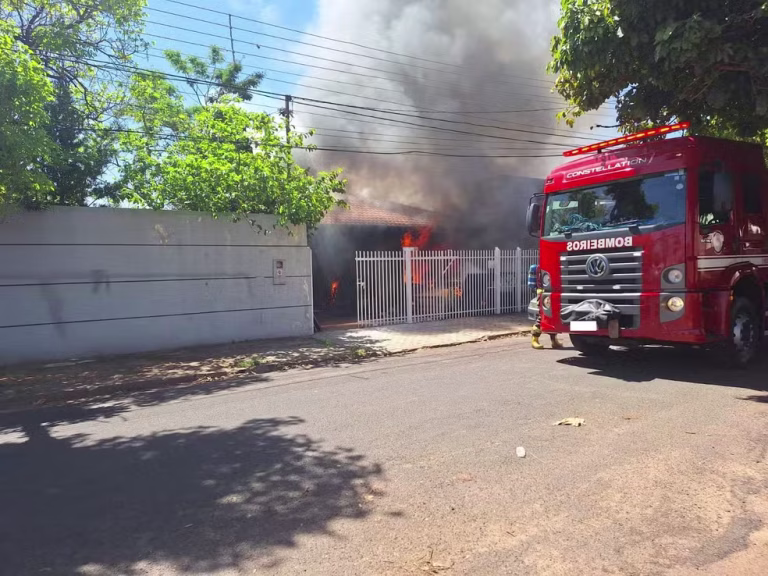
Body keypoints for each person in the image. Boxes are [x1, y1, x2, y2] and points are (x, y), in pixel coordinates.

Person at [528, 264, 563, 350]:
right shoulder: (539, 268)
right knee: (541, 317)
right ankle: (534, 339)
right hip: (543, 294)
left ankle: (554, 341)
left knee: (553, 318)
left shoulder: (551, 265)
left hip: (552, 293)